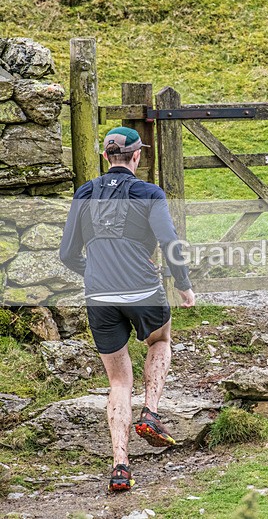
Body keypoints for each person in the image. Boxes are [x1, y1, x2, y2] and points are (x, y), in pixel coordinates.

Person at [60, 127, 195, 492]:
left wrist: (93, 274)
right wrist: (183, 285)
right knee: (160, 339)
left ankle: (120, 466)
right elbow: (168, 241)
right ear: (137, 157)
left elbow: (66, 254)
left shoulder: (85, 192)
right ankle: (150, 411)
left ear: (106, 158)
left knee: (118, 380)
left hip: (99, 296)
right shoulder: (150, 193)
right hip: (143, 290)